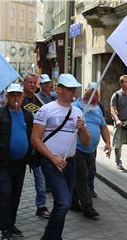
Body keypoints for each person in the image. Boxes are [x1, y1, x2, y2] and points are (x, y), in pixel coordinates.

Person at [31, 73, 91, 240]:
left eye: (74, 89)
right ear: (59, 89)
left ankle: (54, 236)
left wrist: (83, 129)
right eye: (69, 89)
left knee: (61, 204)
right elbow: (35, 139)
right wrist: (53, 158)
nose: (73, 92)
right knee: (65, 202)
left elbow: (86, 142)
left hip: (69, 163)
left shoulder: (78, 111)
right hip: (51, 162)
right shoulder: (46, 110)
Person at [0, 83, 33, 240]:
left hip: (20, 162)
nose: (15, 97)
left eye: (18, 94)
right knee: (5, 193)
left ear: (23, 96)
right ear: (7, 97)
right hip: (2, 161)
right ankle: (5, 228)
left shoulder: (27, 115)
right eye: (12, 95)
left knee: (16, 195)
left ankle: (11, 224)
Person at [71, 82, 111, 219]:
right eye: (93, 102)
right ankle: (88, 208)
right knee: (82, 178)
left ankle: (73, 202)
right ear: (87, 99)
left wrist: (108, 143)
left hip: (91, 150)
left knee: (85, 177)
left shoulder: (97, 109)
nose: (95, 104)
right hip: (78, 149)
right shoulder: (76, 108)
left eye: (97, 102)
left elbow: (104, 127)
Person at [21, 73, 50, 219]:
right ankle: (12, 203)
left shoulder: (39, 102)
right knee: (16, 178)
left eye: (34, 83)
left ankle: (41, 205)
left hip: (36, 145)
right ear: (24, 83)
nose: (33, 85)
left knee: (40, 177)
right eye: (30, 82)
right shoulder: (18, 99)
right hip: (21, 145)